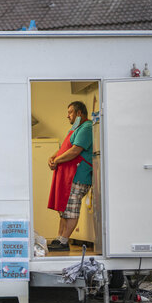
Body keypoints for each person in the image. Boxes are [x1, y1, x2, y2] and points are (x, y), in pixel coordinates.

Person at [47, 101, 93, 251]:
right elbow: (63, 150)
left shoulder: (87, 127)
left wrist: (57, 160)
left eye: (70, 112)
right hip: (67, 176)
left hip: (78, 176)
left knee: (71, 209)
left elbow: (75, 151)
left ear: (79, 113)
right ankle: (60, 238)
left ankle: (64, 241)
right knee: (64, 209)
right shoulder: (73, 129)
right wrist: (52, 158)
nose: (68, 116)